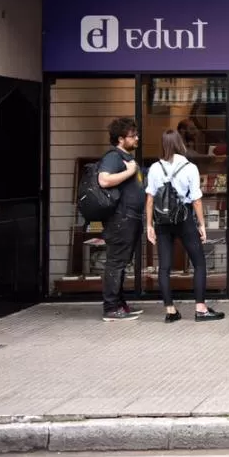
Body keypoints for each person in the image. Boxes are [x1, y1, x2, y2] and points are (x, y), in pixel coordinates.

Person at [145, 129, 224, 323]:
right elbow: (196, 200)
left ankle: (170, 311)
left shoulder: (155, 168)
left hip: (162, 221)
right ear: (180, 144)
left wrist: (149, 225)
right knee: (198, 262)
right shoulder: (190, 167)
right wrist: (202, 225)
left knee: (164, 267)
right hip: (184, 218)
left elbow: (149, 199)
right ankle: (200, 309)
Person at [97, 117, 146, 322]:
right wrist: (129, 172)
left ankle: (120, 304)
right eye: (132, 136)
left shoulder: (124, 157)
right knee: (116, 262)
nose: (137, 138)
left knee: (122, 262)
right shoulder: (114, 157)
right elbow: (104, 179)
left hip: (131, 217)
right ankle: (111, 307)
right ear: (120, 139)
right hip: (121, 219)